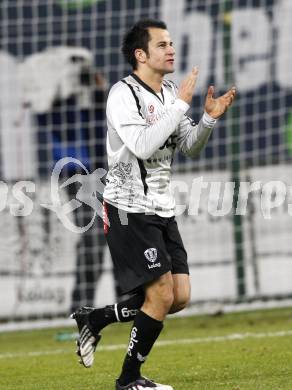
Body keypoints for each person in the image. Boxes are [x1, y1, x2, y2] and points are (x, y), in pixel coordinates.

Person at [71, 19, 235, 390]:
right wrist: (179, 107)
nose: (171, 49)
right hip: (127, 206)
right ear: (140, 55)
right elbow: (143, 145)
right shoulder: (122, 95)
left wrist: (208, 118)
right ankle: (129, 380)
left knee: (178, 297)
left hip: (161, 207)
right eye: (162, 45)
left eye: (171, 43)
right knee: (160, 293)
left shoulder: (169, 93)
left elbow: (189, 146)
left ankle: (95, 319)